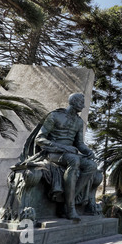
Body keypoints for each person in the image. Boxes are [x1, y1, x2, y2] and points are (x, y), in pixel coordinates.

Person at [35, 93, 97, 221]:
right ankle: (70, 208)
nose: (84, 105)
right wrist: (64, 148)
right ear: (73, 101)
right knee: (73, 160)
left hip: (70, 153)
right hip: (53, 153)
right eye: (81, 102)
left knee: (91, 165)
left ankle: (69, 200)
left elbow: (79, 143)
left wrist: (87, 151)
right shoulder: (55, 116)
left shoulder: (79, 122)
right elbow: (39, 139)